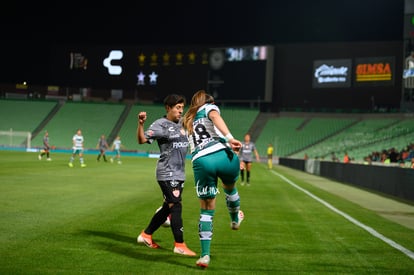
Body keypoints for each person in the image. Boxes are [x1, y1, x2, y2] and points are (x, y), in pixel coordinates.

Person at [182, 90, 244, 268]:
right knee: (229, 187)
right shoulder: (209, 108)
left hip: (201, 161)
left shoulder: (188, 120)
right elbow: (216, 118)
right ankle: (234, 219)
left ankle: (205, 256)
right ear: (208, 101)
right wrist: (230, 138)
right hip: (222, 155)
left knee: (207, 210)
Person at [136, 94, 196, 257]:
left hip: (180, 173)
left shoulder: (183, 123)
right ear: (168, 108)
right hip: (167, 173)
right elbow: (142, 140)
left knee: (167, 207)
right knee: (176, 206)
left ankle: (146, 235)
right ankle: (179, 245)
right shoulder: (160, 125)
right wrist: (141, 124)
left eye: (182, 107)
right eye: (177, 107)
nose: (180, 111)